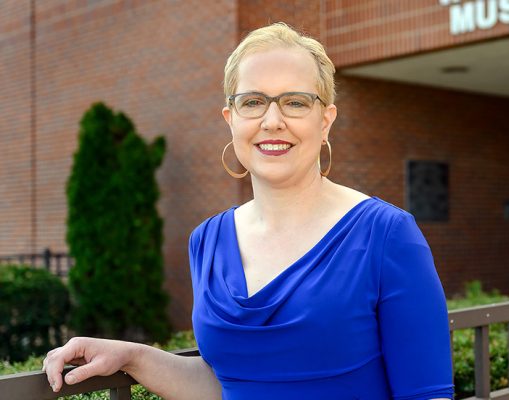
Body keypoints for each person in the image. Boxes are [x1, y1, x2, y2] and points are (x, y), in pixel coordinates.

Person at [41, 22, 454, 400]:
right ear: (231, 119)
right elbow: (227, 384)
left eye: (295, 102)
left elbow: (427, 395)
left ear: (326, 120)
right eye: (253, 101)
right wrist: (133, 357)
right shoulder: (207, 239)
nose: (272, 121)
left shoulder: (387, 235)